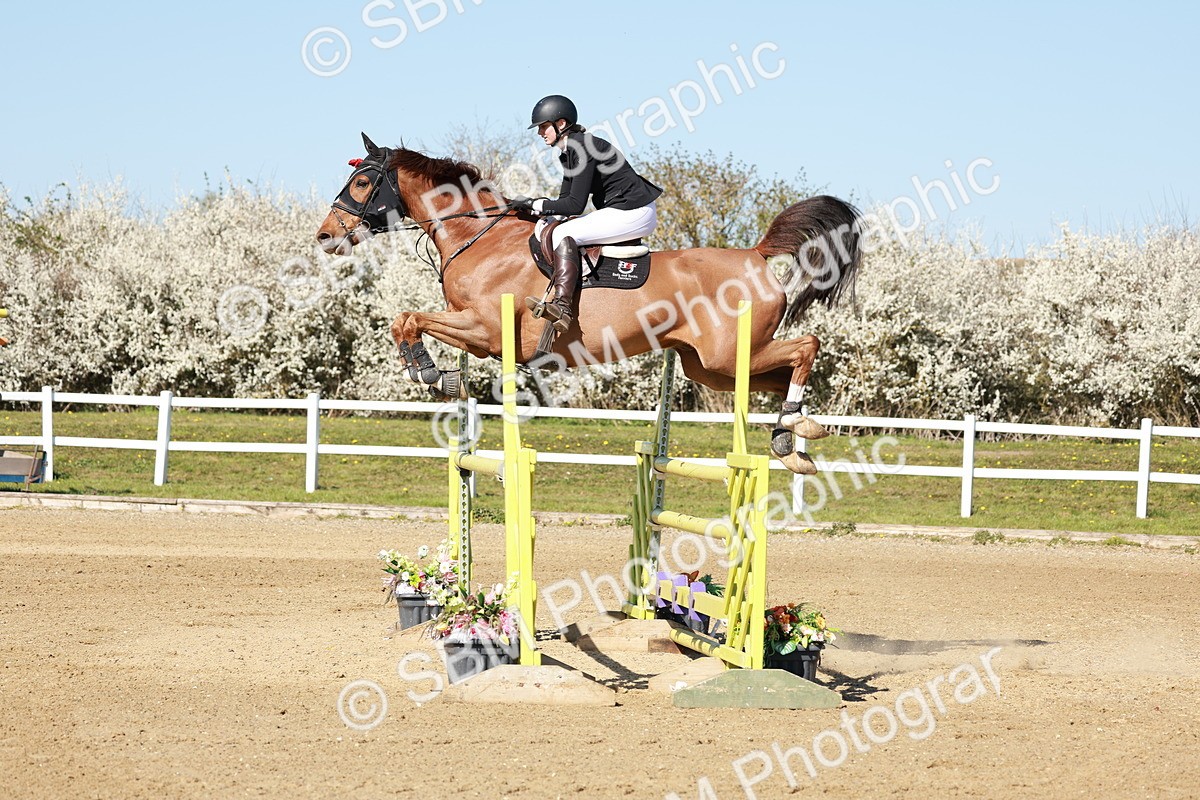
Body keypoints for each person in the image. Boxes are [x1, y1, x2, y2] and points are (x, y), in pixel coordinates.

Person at [513, 95, 662, 332]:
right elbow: (564, 201)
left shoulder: (581, 147)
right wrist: (534, 208)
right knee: (548, 226)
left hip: (634, 211)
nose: (540, 133)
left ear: (560, 124)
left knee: (560, 235)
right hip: (622, 210)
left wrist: (537, 204)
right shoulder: (569, 151)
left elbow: (574, 205)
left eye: (543, 126)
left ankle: (562, 307)